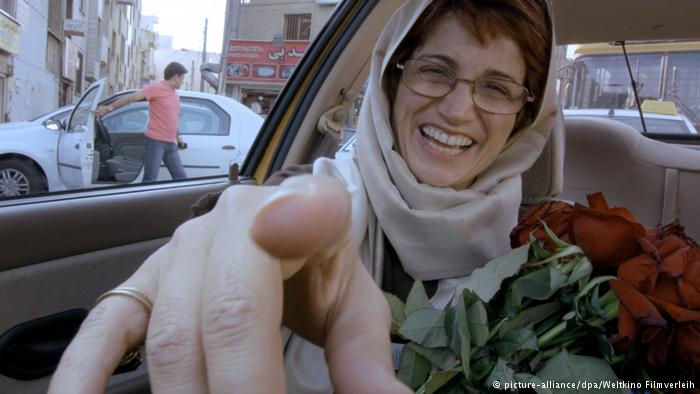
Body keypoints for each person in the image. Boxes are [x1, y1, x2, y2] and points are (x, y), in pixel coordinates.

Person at [50, 0, 557, 392]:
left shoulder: (553, 251)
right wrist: (235, 246)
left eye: (497, 87)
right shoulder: (317, 197)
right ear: (392, 79)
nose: (458, 109)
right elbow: (261, 219)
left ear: (525, 116)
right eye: (435, 71)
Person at [95, 61, 189, 182]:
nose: (182, 81)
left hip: (170, 144)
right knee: (149, 180)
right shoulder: (155, 88)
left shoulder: (175, 94)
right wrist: (108, 109)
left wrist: (178, 137)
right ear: (175, 77)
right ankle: (144, 201)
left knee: (181, 179)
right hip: (156, 142)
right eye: (182, 78)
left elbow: (171, 118)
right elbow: (132, 98)